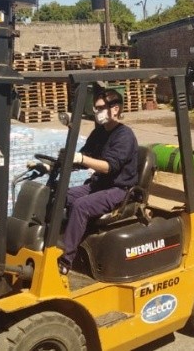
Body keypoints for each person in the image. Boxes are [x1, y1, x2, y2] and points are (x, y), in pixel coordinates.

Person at [58, 89, 138, 275]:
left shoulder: (124, 136)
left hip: (119, 189)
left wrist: (81, 159)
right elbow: (85, 155)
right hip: (100, 184)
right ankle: (53, 243)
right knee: (61, 196)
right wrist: (59, 163)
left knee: (81, 206)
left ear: (115, 109)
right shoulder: (99, 133)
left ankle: (65, 260)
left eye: (101, 108)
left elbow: (108, 167)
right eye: (95, 108)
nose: (97, 112)